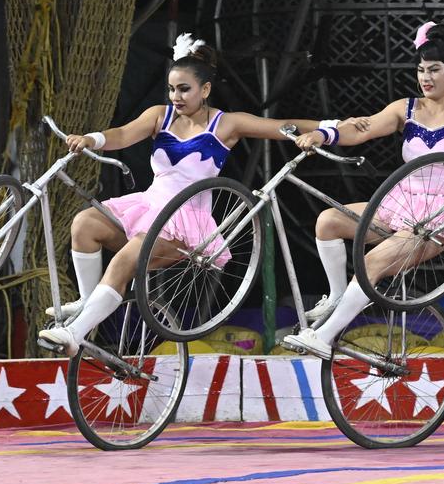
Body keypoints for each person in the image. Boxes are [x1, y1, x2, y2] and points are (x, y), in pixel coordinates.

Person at [38, 34, 332, 355]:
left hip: (183, 226)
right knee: (85, 224)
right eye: (171, 89)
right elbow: (122, 134)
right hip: (147, 207)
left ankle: (75, 333)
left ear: (205, 90)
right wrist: (92, 139)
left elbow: (281, 125)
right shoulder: (159, 116)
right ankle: (87, 302)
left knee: (124, 261)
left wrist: (330, 127)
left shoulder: (225, 124)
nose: (175, 96)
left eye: (184, 89)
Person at [282, 21, 444, 359]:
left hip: (440, 218)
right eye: (421, 70)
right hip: (399, 206)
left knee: (371, 262)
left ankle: (325, 337)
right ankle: (335, 297)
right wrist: (323, 135)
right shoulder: (404, 108)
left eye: (434, 69)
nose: (426, 77)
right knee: (329, 221)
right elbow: (361, 130)